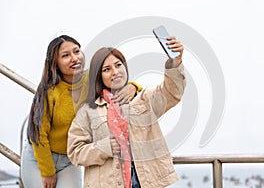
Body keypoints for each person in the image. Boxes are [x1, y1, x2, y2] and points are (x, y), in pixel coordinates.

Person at [20, 35, 141, 188]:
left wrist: (134, 86)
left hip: (70, 159)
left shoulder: (91, 79)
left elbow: (116, 79)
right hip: (39, 158)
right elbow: (39, 135)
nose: (74, 58)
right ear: (55, 63)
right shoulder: (49, 91)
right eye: (65, 56)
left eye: (76, 51)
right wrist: (48, 172)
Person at [67, 36, 186, 188]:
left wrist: (175, 63)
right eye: (106, 69)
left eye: (118, 65)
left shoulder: (143, 98)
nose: (115, 72)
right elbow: (74, 151)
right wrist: (103, 147)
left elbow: (172, 93)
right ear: (99, 76)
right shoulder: (88, 111)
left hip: (147, 182)